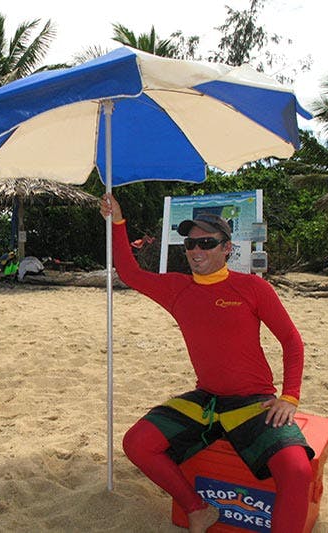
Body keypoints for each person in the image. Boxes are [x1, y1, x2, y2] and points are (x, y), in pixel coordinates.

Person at [100, 193, 314, 533]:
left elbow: (292, 341)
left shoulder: (252, 288)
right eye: (190, 244)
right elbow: (128, 271)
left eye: (207, 243)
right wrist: (117, 221)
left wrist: (289, 397)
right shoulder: (177, 289)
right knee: (137, 443)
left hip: (252, 402)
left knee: (299, 472)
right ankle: (197, 508)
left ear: (226, 248)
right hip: (207, 400)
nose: (196, 251)